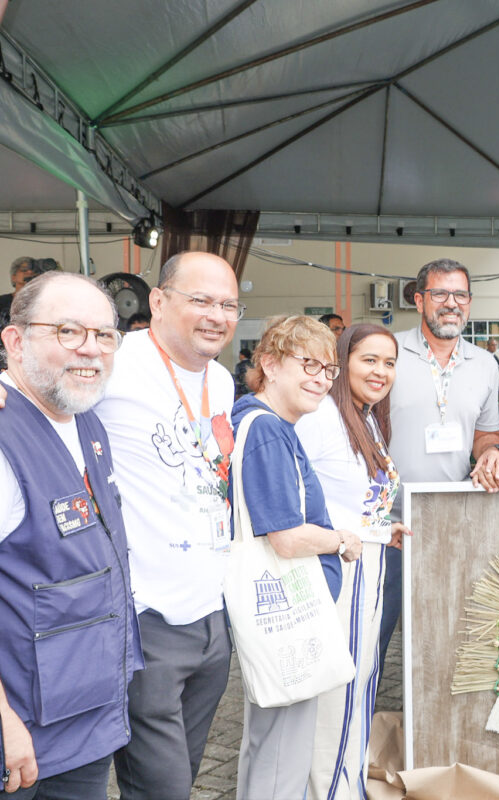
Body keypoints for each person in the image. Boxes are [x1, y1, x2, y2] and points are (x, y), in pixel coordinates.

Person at [104, 251, 241, 800]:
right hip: (147, 617)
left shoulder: (222, 380)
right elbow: (36, 385)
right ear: (158, 302)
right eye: (201, 300)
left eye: (228, 305)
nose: (217, 316)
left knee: (181, 777)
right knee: (160, 787)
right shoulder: (113, 360)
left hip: (211, 617)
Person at [0, 273, 142, 799]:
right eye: (67, 331)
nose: (91, 349)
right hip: (23, 734)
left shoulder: (85, 420)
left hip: (85, 716)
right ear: (15, 341)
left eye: (104, 335)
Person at [230, 315, 363, 800]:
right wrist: (340, 540)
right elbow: (285, 537)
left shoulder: (266, 424)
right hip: (288, 615)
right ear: (268, 364)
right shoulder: (268, 430)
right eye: (308, 364)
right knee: (282, 756)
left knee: (270, 748)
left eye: (328, 369)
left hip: (287, 615)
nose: (321, 379)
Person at [296, 322, 409, 799]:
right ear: (342, 363)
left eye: (389, 362)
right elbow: (294, 497)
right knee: (336, 694)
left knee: (360, 687)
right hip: (339, 574)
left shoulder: (366, 418)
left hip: (371, 567)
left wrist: (383, 529)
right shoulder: (321, 417)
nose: (380, 371)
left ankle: (348, 785)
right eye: (369, 360)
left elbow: (352, 501)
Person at [382, 258, 499, 661]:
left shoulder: (485, 364)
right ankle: (365, 703)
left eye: (460, 295)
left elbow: (485, 433)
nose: (451, 303)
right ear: (419, 301)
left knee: (445, 634)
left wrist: (491, 453)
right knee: (375, 635)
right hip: (388, 524)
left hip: (452, 521)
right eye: (440, 294)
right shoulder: (388, 352)